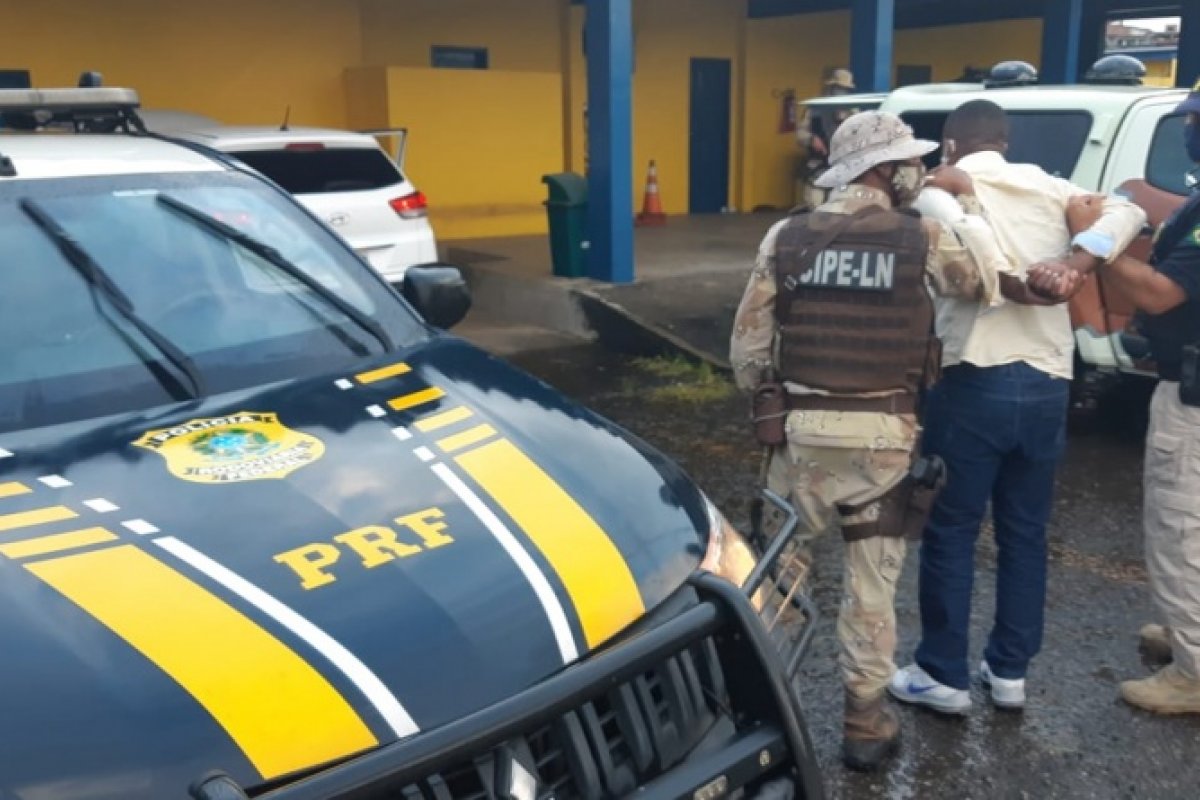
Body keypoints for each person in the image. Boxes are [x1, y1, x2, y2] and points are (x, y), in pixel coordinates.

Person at [731, 110, 1018, 771]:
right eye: (910, 161)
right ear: (886, 171)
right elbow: (986, 282)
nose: (919, 170)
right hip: (883, 440)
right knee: (871, 586)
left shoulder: (786, 234)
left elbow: (747, 347)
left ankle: (767, 711)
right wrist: (967, 202)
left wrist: (774, 397)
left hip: (797, 437)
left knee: (780, 576)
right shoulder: (928, 235)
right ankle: (864, 721)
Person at [887, 99, 1147, 715]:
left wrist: (1050, 269)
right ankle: (1009, 674)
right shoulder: (1051, 187)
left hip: (973, 379)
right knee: (1025, 533)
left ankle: (942, 674)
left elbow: (977, 268)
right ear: (1003, 141)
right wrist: (1075, 263)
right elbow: (1130, 208)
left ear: (950, 145)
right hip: (1048, 384)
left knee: (950, 529)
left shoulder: (938, 193)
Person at [1029, 84, 1200, 714]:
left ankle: (1194, 670)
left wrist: (1092, 245)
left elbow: (1159, 294)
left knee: (1182, 528)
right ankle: (1191, 635)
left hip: (1194, 397)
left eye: (1195, 122)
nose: (1189, 132)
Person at [795, 68, 856, 210]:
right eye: (838, 88)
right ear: (831, 87)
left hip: (845, 166)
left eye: (844, 89)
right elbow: (800, 134)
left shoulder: (853, 111)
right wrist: (811, 139)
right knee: (814, 202)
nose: (841, 92)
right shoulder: (815, 109)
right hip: (819, 164)